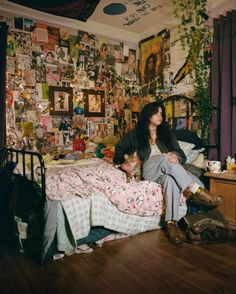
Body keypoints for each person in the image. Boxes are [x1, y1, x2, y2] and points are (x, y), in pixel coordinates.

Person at [113, 102, 224, 244]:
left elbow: (181, 154)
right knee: (165, 157)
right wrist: (122, 164)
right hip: (149, 170)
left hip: (165, 172)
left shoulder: (166, 133)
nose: (160, 116)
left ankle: (172, 224)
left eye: (161, 113)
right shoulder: (135, 134)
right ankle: (197, 190)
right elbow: (119, 149)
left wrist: (176, 156)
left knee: (171, 180)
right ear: (148, 114)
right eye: (156, 113)